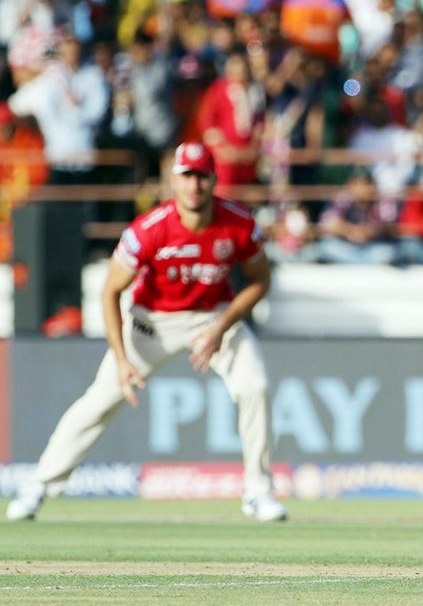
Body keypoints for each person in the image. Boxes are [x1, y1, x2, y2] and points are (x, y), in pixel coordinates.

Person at [7, 142, 287, 523]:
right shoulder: (149, 230)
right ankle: (38, 485)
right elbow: (110, 290)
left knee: (255, 386)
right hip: (152, 323)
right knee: (101, 400)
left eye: (202, 176)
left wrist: (222, 326)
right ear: (173, 180)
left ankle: (258, 491)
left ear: (214, 180)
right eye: (187, 176)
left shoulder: (238, 224)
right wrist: (122, 359)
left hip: (215, 318)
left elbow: (260, 281)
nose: (195, 186)